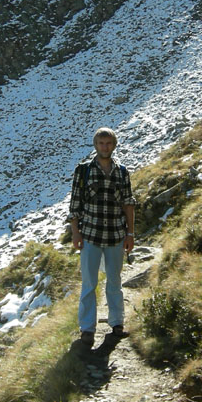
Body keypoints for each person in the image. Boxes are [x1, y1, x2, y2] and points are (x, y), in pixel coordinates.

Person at [68, 127, 135, 347]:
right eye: (100, 143)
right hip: (90, 235)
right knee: (89, 283)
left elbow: (128, 203)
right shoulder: (84, 171)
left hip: (116, 234)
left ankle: (117, 324)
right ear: (95, 145)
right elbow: (75, 204)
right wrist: (75, 232)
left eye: (108, 143)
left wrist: (130, 233)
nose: (104, 147)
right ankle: (87, 329)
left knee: (114, 282)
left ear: (114, 145)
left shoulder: (122, 171)